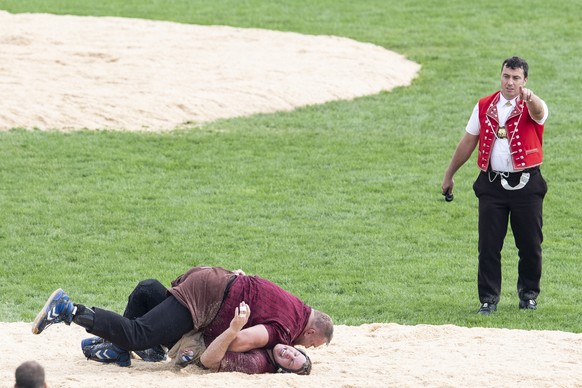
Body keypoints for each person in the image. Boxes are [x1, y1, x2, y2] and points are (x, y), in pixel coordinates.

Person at [32, 266, 333, 363]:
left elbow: (249, 279)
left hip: (210, 277)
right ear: (310, 332)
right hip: (206, 299)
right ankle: (69, 310)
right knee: (141, 333)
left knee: (147, 290)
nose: (303, 348)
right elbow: (240, 340)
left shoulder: (294, 302)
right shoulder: (286, 328)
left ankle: (120, 353)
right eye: (310, 345)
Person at [442, 56, 549, 315]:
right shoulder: (484, 106)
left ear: (525, 81)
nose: (509, 82)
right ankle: (488, 299)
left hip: (527, 185)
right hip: (491, 185)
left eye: (515, 78)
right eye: (506, 76)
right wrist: (449, 175)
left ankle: (528, 295)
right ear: (500, 76)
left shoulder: (533, 104)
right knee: (488, 246)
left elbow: (539, 113)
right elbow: (468, 142)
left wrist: (531, 97)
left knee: (530, 244)